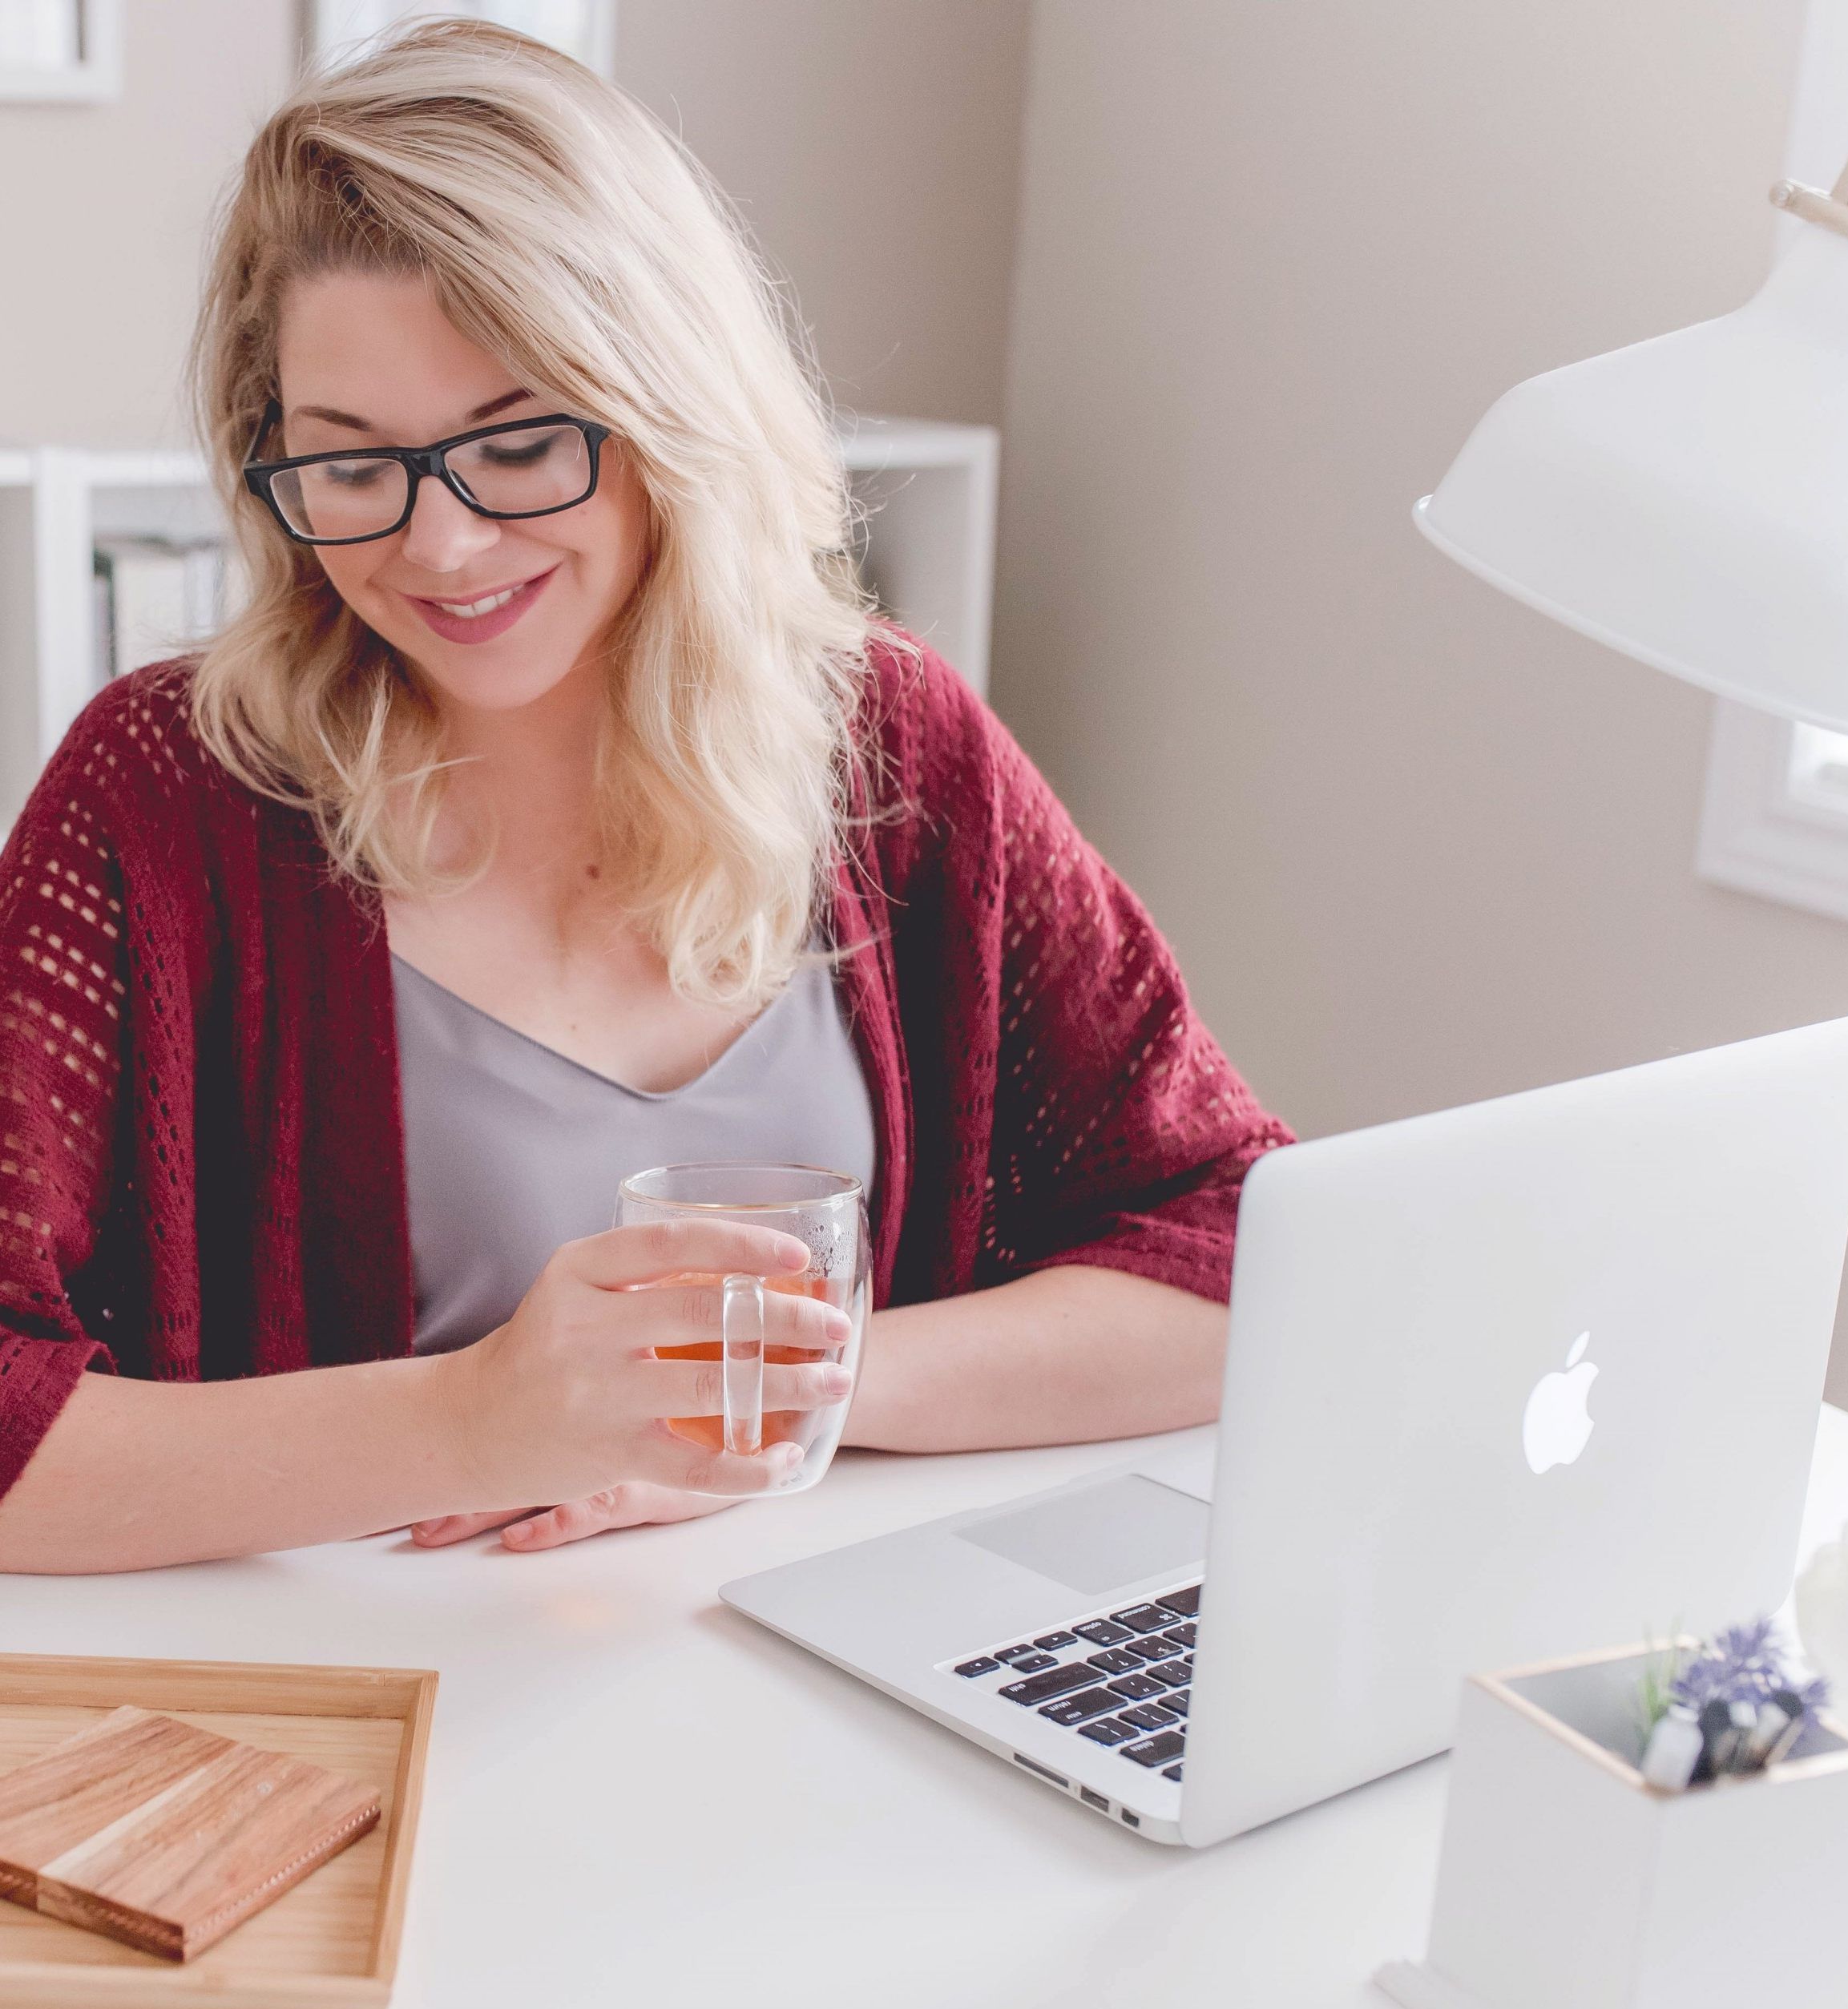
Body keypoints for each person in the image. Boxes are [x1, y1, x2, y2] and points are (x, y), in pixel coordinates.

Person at [0, 21, 1289, 1575]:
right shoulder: (162, 799)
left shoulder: (887, 745)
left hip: (793, 1678)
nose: (444, 544)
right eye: (351, 465)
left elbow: (1238, 1247)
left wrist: (769, 1396)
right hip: (372, 1713)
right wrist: (475, 1417)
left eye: (524, 439)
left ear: (668, 404)